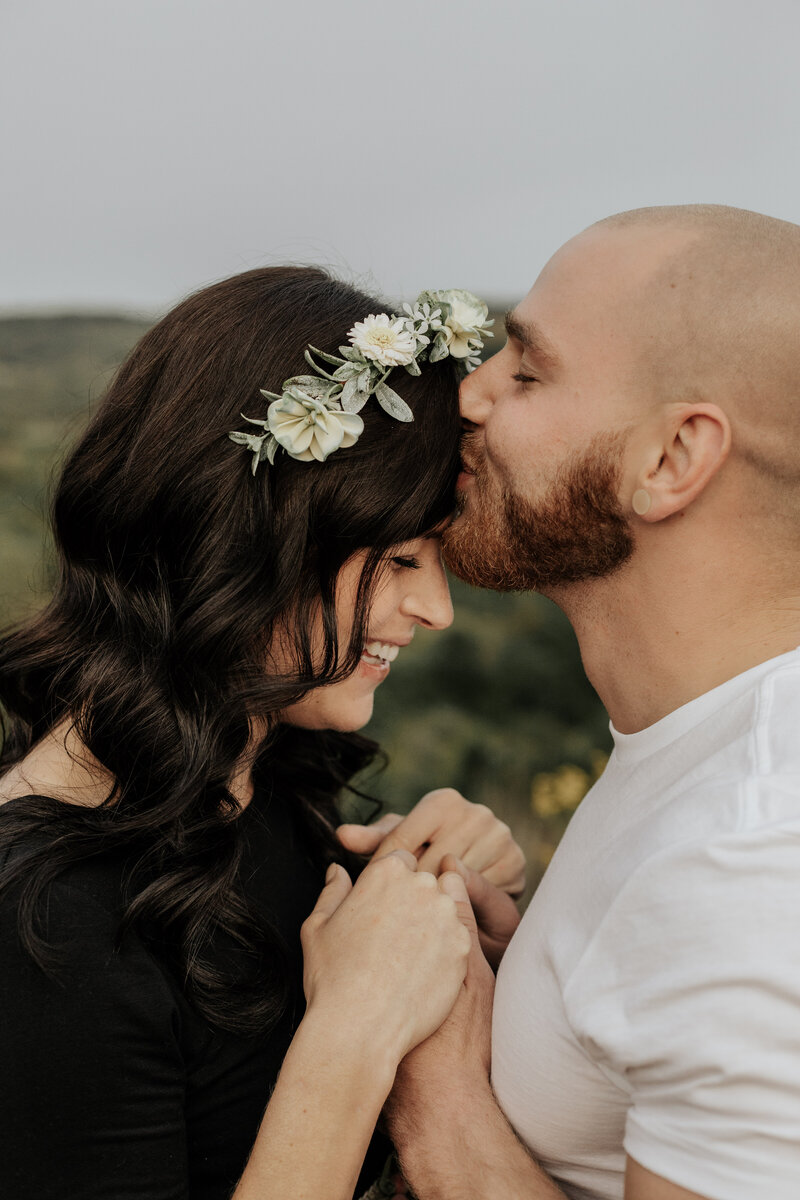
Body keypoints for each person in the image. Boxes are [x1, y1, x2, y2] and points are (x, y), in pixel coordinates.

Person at [0, 266, 526, 1200]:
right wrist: (355, 1033)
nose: (436, 608)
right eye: (401, 557)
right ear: (244, 536)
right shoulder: (41, 922)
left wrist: (432, 889)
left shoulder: (266, 781)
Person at [381, 205, 800, 1200]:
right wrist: (535, 980)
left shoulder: (747, 867)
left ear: (670, 461)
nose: (469, 396)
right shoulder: (701, 759)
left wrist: (427, 1072)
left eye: (525, 373)